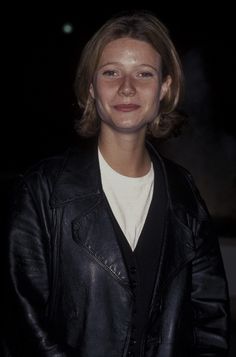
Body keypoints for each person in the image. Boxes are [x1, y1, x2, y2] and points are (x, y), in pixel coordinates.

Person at [4, 10, 230, 357]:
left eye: (144, 73)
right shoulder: (41, 191)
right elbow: (23, 325)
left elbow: (210, 322)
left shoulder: (185, 194)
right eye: (111, 72)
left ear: (165, 87)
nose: (127, 87)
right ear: (91, 87)